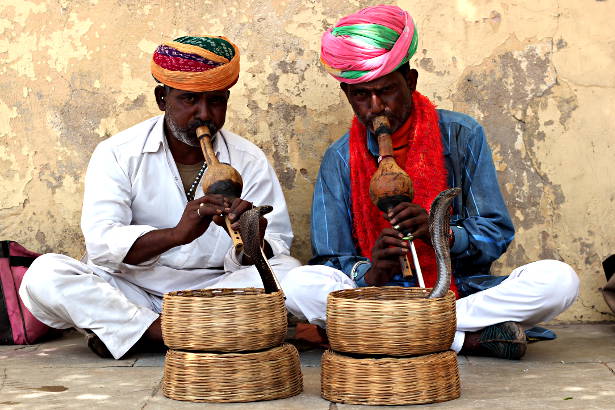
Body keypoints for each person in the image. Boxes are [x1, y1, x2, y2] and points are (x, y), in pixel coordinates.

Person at [282, 5, 580, 360]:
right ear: (347, 95)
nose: (376, 107)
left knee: (559, 280)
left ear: (410, 81)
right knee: (297, 285)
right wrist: (372, 269)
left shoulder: (461, 135)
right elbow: (332, 259)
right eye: (361, 95)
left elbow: (495, 232)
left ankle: (400, 331)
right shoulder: (340, 157)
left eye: (386, 91)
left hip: (460, 291)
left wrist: (441, 234)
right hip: (376, 296)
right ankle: (462, 339)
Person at [19, 35, 301, 359]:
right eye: (190, 100)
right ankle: (169, 333)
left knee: (290, 273)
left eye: (216, 101)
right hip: (132, 288)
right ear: (162, 98)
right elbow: (100, 243)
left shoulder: (248, 159)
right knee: (44, 275)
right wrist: (176, 235)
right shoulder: (117, 153)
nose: (204, 114)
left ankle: (135, 333)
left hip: (214, 292)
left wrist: (252, 240)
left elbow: (274, 248)